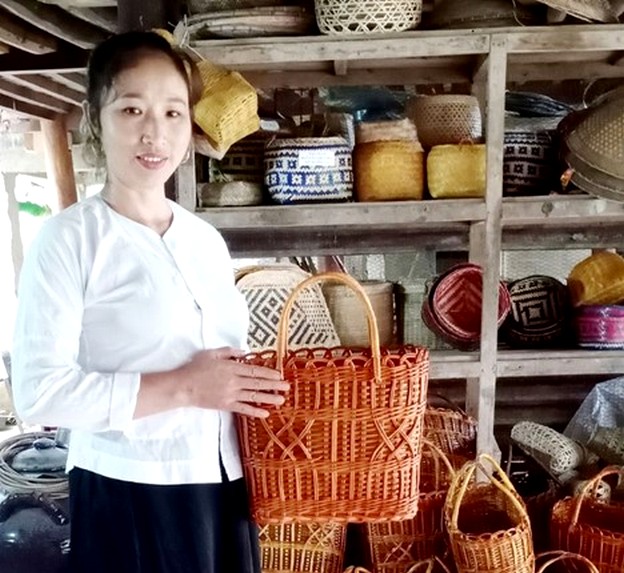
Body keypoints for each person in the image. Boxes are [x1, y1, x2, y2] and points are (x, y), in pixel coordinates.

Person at [11, 31, 289, 573]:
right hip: (129, 491)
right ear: (96, 119)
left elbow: (226, 369)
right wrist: (186, 386)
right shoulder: (70, 239)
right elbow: (39, 394)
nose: (154, 133)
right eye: (132, 109)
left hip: (224, 487)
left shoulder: (204, 240)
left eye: (172, 112)